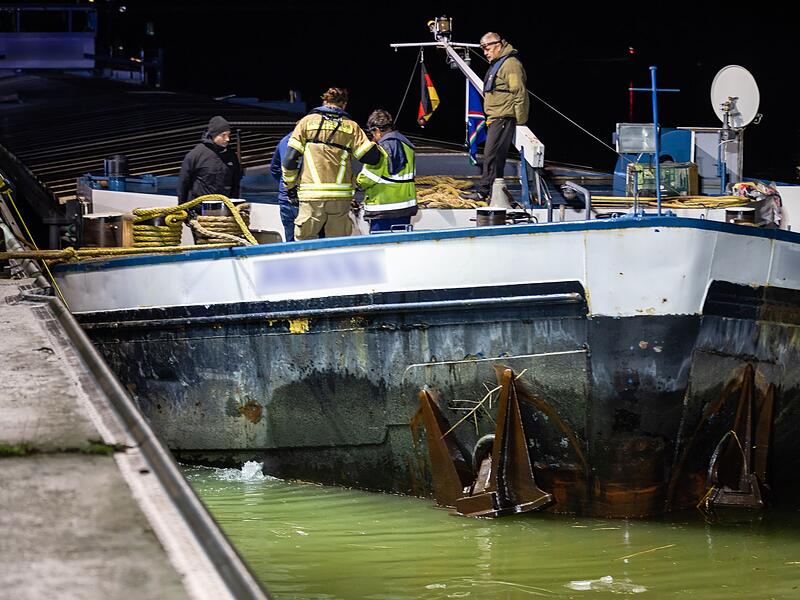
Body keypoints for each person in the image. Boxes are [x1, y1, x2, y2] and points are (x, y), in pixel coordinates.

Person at [281, 87, 381, 240]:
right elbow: (372, 158)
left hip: (311, 197)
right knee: (337, 244)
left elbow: (289, 160)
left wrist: (291, 186)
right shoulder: (352, 127)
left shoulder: (306, 123)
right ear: (344, 104)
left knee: (305, 244)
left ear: (324, 101)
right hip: (340, 199)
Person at [459, 32, 529, 202]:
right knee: (493, 156)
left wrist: (519, 120)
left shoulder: (510, 65)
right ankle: (492, 190)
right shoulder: (499, 63)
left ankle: (484, 191)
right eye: (483, 49)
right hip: (496, 117)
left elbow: (518, 92)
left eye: (487, 48)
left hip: (504, 117)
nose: (485, 53)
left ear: (498, 45)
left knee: (492, 155)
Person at [356, 109, 417, 233]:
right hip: (405, 208)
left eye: (372, 133)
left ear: (377, 130)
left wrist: (356, 182)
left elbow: (366, 180)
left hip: (382, 210)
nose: (373, 137)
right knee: (400, 246)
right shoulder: (408, 146)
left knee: (381, 247)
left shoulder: (380, 149)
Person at [177, 115, 241, 203]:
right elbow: (183, 183)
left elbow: (236, 183)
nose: (227, 139)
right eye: (223, 135)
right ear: (214, 135)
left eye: (229, 135)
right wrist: (182, 208)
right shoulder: (196, 154)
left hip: (224, 208)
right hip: (198, 208)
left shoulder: (231, 156)